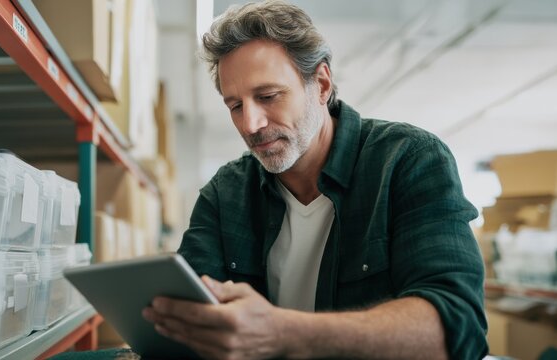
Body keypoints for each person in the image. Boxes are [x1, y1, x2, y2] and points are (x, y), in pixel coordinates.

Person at [142, 1, 488, 359]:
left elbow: (456, 329)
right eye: (235, 106)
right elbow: (186, 321)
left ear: (321, 84)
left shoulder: (408, 161)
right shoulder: (225, 192)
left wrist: (284, 332)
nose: (251, 124)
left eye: (267, 96)